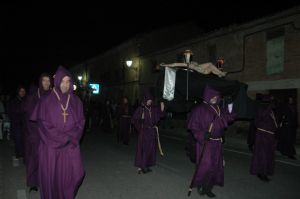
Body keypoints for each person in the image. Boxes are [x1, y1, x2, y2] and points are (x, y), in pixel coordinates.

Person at [31, 66, 85, 199]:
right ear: (57, 81)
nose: (65, 85)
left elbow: (81, 122)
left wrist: (71, 137)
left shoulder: (76, 102)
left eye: (68, 81)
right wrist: (63, 138)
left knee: (74, 175)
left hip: (69, 147)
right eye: (63, 81)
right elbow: (43, 125)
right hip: (51, 148)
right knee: (52, 179)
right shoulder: (46, 100)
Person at [187, 85, 235, 198]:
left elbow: (229, 118)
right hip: (205, 143)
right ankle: (200, 184)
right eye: (212, 97)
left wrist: (230, 105)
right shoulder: (199, 109)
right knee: (206, 165)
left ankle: (208, 188)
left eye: (216, 97)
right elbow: (194, 127)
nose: (214, 99)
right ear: (207, 96)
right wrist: (203, 135)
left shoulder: (219, 108)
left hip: (217, 142)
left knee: (215, 166)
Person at [23, 74, 52, 192]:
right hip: (35, 133)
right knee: (34, 159)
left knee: (47, 160)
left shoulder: (52, 96)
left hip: (49, 135)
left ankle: (45, 181)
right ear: (40, 82)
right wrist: (32, 133)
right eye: (44, 80)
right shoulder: (33, 97)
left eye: (48, 81)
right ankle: (33, 182)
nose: (46, 83)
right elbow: (28, 115)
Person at [131, 91, 165, 174]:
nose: (150, 102)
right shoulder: (141, 109)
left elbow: (160, 115)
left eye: (151, 100)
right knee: (144, 150)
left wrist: (162, 109)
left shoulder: (153, 109)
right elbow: (134, 120)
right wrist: (140, 129)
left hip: (152, 132)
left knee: (151, 149)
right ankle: (143, 166)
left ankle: (147, 165)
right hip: (144, 132)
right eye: (148, 100)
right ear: (145, 100)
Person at [250, 95, 278, 182]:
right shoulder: (261, 109)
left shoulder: (270, 111)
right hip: (262, 136)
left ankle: (264, 172)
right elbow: (258, 122)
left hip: (269, 137)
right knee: (263, 156)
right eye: (270, 103)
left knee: (268, 155)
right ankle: (262, 173)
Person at [8, 86, 26, 159]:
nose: (22, 92)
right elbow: (11, 113)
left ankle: (23, 154)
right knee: (18, 140)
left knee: (23, 140)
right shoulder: (14, 101)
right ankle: (18, 155)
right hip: (17, 124)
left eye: (24, 91)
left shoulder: (26, 100)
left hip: (24, 124)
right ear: (18, 92)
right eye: (21, 91)